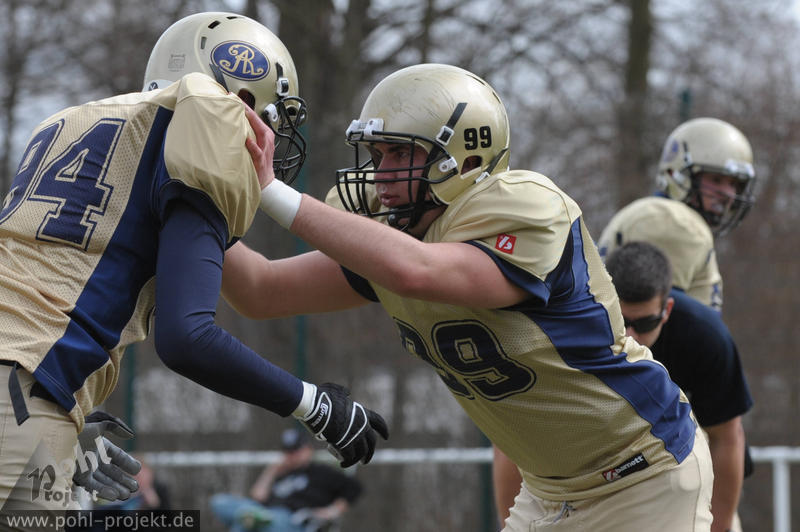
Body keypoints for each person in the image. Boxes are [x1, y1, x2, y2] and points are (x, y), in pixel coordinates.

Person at [223, 63, 714, 531]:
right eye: (377, 155)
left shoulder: (523, 208)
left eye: (401, 154)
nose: (381, 175)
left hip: (641, 472)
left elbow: (418, 270)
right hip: (550, 488)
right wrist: (198, 207)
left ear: (468, 157)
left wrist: (272, 191)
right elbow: (262, 290)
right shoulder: (396, 234)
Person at [0, 11, 386, 521]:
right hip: (21, 396)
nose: (271, 138)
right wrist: (314, 405)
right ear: (240, 97)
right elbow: (187, 338)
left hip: (25, 386)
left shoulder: (74, 121)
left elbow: (38, 290)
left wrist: (66, 410)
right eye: (270, 117)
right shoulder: (208, 119)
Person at [606, 242, 752, 532]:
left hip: (694, 483)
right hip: (606, 487)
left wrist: (720, 526)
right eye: (620, 322)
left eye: (644, 323)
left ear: (666, 310)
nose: (631, 336)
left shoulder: (705, 337)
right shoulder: (578, 332)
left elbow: (727, 438)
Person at [596, 117, 757, 310]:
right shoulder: (675, 222)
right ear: (676, 173)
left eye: (734, 184)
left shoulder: (651, 212)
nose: (728, 194)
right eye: (716, 180)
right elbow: (658, 319)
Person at [210, 428, 362, 532]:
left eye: (295, 451)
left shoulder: (321, 472)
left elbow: (354, 488)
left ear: (307, 449)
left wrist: (331, 512)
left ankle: (255, 518)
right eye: (287, 451)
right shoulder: (281, 474)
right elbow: (258, 497)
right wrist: (270, 472)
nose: (291, 455)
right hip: (264, 512)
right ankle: (255, 517)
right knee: (219, 502)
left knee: (247, 523)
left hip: (294, 520)